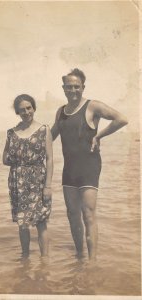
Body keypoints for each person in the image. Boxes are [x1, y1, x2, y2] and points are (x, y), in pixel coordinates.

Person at [51, 68, 128, 260]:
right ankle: (79, 257)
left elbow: (122, 119)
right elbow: (51, 135)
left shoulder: (92, 106)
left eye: (77, 87)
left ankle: (92, 263)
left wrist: (98, 135)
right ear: (63, 88)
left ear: (83, 87)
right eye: (69, 87)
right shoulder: (61, 111)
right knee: (72, 214)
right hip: (69, 170)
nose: (73, 90)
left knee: (88, 214)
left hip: (89, 168)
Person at [3, 94, 53, 259]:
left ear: (34, 107)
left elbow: (50, 159)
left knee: (41, 222)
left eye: (28, 108)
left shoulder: (44, 129)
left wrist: (47, 186)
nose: (26, 112)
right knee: (22, 224)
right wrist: (20, 161)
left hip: (38, 180)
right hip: (18, 181)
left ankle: (44, 261)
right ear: (17, 112)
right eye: (22, 110)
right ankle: (25, 259)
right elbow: (5, 159)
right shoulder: (11, 132)